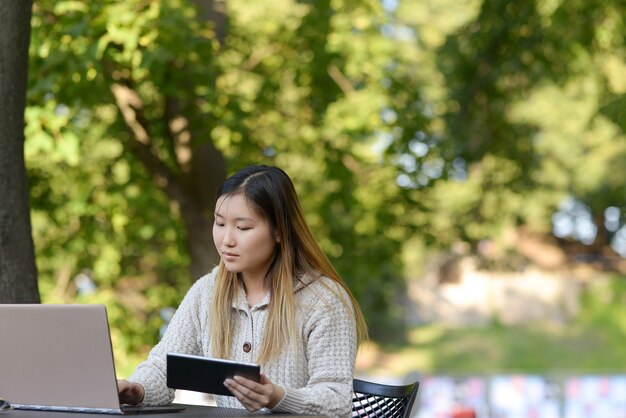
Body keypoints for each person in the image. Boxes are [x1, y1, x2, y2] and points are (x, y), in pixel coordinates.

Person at [118, 165, 368, 417]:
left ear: (280, 230)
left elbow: (337, 400)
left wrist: (278, 397)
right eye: (220, 223)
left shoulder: (324, 300)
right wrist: (137, 389)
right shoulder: (207, 292)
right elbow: (163, 368)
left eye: (243, 227)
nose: (227, 239)